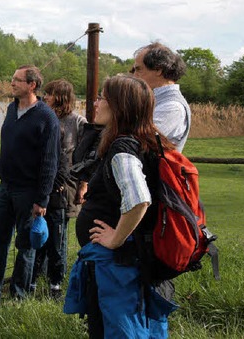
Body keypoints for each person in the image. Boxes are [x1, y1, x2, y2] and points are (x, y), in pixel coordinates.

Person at [64, 74, 178, 338]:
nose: (96, 102)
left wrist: (115, 239)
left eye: (102, 97)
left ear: (118, 106)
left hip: (118, 266)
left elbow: (139, 199)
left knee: (116, 330)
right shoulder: (144, 140)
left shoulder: (123, 148)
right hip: (126, 262)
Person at [0, 65, 60, 302]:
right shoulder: (10, 109)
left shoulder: (46, 117)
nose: (12, 83)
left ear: (32, 85)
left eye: (17, 80)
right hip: (6, 188)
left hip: (28, 192)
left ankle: (19, 296)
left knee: (25, 246)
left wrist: (41, 199)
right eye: (12, 78)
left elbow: (50, 162)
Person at [31, 79, 86, 298]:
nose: (46, 97)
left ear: (61, 96)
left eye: (50, 94)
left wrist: (83, 184)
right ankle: (39, 276)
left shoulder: (77, 121)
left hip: (66, 183)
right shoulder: (43, 115)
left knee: (58, 233)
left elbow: (85, 154)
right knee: (41, 230)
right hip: (43, 180)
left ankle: (56, 282)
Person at [133, 42, 191, 151]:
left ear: (158, 69)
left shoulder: (173, 107)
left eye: (139, 69)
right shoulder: (155, 100)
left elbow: (136, 141)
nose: (135, 76)